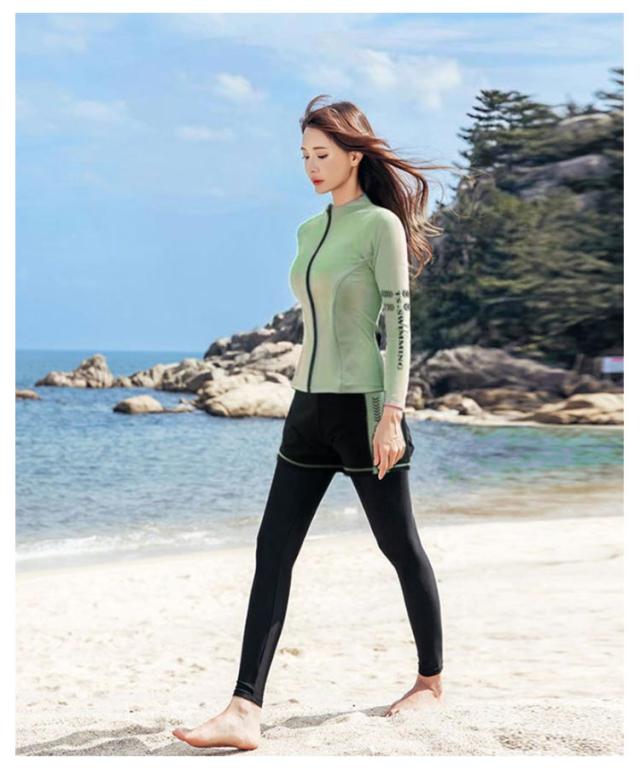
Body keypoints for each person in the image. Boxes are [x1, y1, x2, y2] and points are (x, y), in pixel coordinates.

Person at [173, 95, 447, 750]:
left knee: (399, 545)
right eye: (303, 156)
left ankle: (430, 681)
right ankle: (244, 708)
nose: (311, 167)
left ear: (354, 156)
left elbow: (398, 324)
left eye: (322, 154)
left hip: (363, 408)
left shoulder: (380, 225)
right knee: (273, 548)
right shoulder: (308, 230)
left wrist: (392, 413)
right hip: (305, 408)